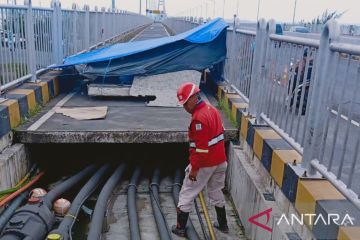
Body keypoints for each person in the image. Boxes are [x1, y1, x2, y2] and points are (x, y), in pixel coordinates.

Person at [172, 82, 229, 237]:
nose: (184, 107)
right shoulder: (212, 110)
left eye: (185, 103)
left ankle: (180, 227)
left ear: (193, 98)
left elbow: (201, 149)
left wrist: (194, 170)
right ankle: (223, 225)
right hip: (220, 161)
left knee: (187, 193)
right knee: (216, 191)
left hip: (205, 164)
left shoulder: (198, 119)